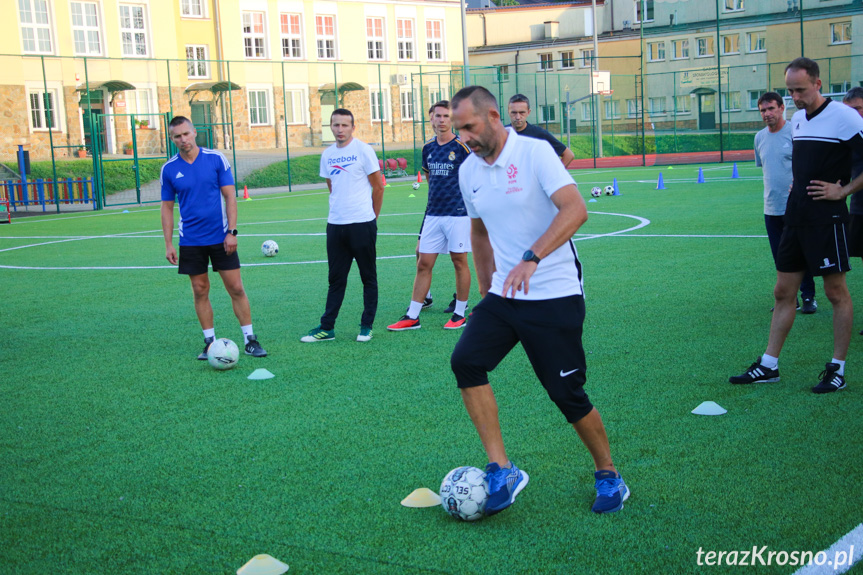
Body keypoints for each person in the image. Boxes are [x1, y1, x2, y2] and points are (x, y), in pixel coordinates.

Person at [449, 86, 628, 515]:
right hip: (505, 295)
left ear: (494, 116)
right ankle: (501, 468)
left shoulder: (535, 154)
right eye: (458, 131)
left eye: (469, 127)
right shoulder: (468, 170)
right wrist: (487, 286)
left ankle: (609, 475)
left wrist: (532, 258)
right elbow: (478, 231)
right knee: (466, 361)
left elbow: (575, 209)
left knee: (565, 391)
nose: (464, 138)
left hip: (555, 292)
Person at [730, 58, 863, 393]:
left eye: (800, 90)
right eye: (790, 91)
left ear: (818, 83)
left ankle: (837, 369)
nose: (795, 98)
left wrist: (843, 190)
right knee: (783, 292)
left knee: (835, 293)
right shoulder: (799, 121)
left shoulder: (845, 117)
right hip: (795, 218)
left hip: (827, 220)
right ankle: (769, 365)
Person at [160, 116, 267, 360]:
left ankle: (250, 339)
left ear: (194, 132)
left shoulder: (215, 158)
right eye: (177, 136)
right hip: (190, 240)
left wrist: (232, 231)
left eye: (186, 133)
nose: (183, 139)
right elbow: (167, 207)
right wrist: (168, 243)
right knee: (200, 290)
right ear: (171, 138)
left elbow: (230, 196)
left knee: (236, 288)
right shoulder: (169, 168)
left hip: (221, 238)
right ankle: (209, 343)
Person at [301, 108, 384, 343]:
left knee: (368, 277)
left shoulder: (363, 150)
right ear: (331, 127)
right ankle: (327, 328)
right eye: (335, 125)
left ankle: (366, 326)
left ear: (352, 127)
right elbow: (332, 186)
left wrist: (372, 217)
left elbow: (378, 187)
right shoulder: (327, 155)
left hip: (362, 224)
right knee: (336, 279)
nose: (340, 130)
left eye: (344, 125)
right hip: (336, 225)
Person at [388, 101, 472, 331]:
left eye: (446, 116)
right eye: (438, 116)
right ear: (431, 119)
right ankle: (412, 316)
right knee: (424, 262)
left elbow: (475, 177)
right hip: (434, 213)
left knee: (459, 261)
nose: (442, 120)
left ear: (452, 119)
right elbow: (429, 178)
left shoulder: (463, 147)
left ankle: (459, 313)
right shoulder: (427, 148)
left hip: (459, 214)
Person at [754, 92, 817, 313]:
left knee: (802, 253)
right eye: (763, 110)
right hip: (771, 208)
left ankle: (808, 296)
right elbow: (766, 169)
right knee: (780, 257)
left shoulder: (796, 133)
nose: (767, 113)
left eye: (771, 108)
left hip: (796, 207)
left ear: (782, 108)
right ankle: (790, 299)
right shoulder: (759, 137)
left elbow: (809, 166)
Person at [506, 94, 575, 168]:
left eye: (522, 112)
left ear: (528, 112)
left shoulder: (539, 133)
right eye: (514, 113)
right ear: (508, 112)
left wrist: (552, 176)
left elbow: (568, 155)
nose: (518, 117)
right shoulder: (501, 134)